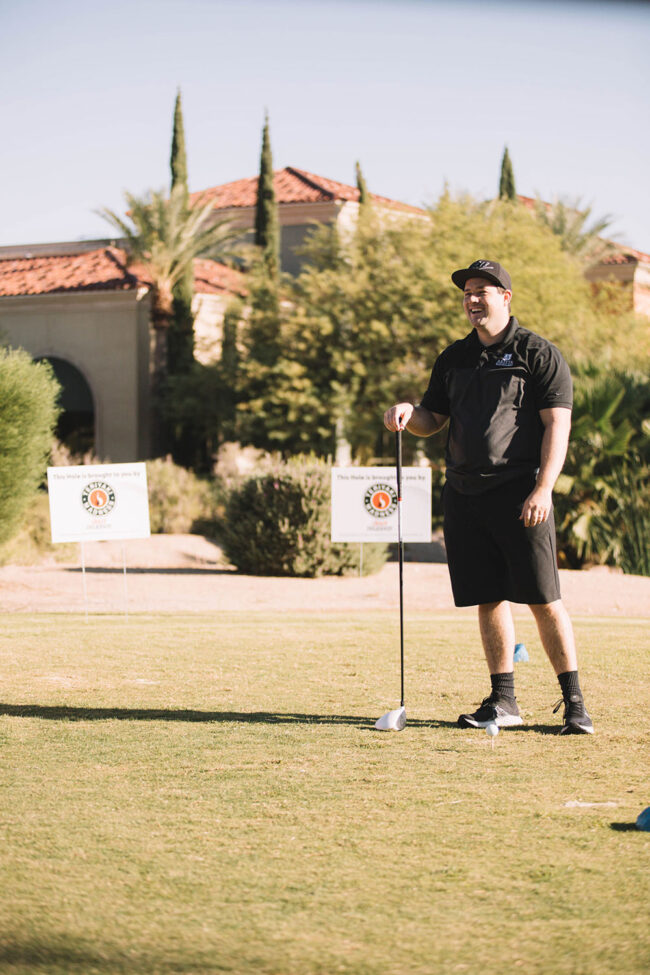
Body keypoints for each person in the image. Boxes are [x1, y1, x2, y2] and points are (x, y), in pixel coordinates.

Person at [383, 259, 593, 735]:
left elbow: (556, 425)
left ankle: (575, 704)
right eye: (467, 293)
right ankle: (503, 702)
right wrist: (406, 412)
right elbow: (432, 418)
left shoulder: (536, 353)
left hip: (521, 494)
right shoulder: (453, 357)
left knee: (543, 598)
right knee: (488, 597)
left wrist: (543, 488)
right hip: (463, 493)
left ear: (506, 297)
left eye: (483, 291)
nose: (473, 299)